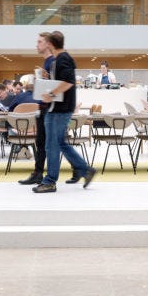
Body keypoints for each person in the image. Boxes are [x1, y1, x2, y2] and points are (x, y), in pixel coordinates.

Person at [34, 31, 97, 193]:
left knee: (51, 145)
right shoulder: (61, 59)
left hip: (59, 109)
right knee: (59, 143)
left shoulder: (62, 59)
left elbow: (68, 82)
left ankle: (50, 181)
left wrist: (51, 94)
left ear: (50, 44)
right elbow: (63, 80)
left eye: (44, 42)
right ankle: (85, 170)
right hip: (59, 108)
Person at [18, 33, 59, 185]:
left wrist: (45, 79)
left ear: (48, 44)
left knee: (48, 144)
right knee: (40, 142)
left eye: (40, 42)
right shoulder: (47, 63)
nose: (37, 44)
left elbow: (57, 86)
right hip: (43, 107)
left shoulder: (53, 62)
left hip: (49, 109)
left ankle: (46, 176)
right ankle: (38, 173)